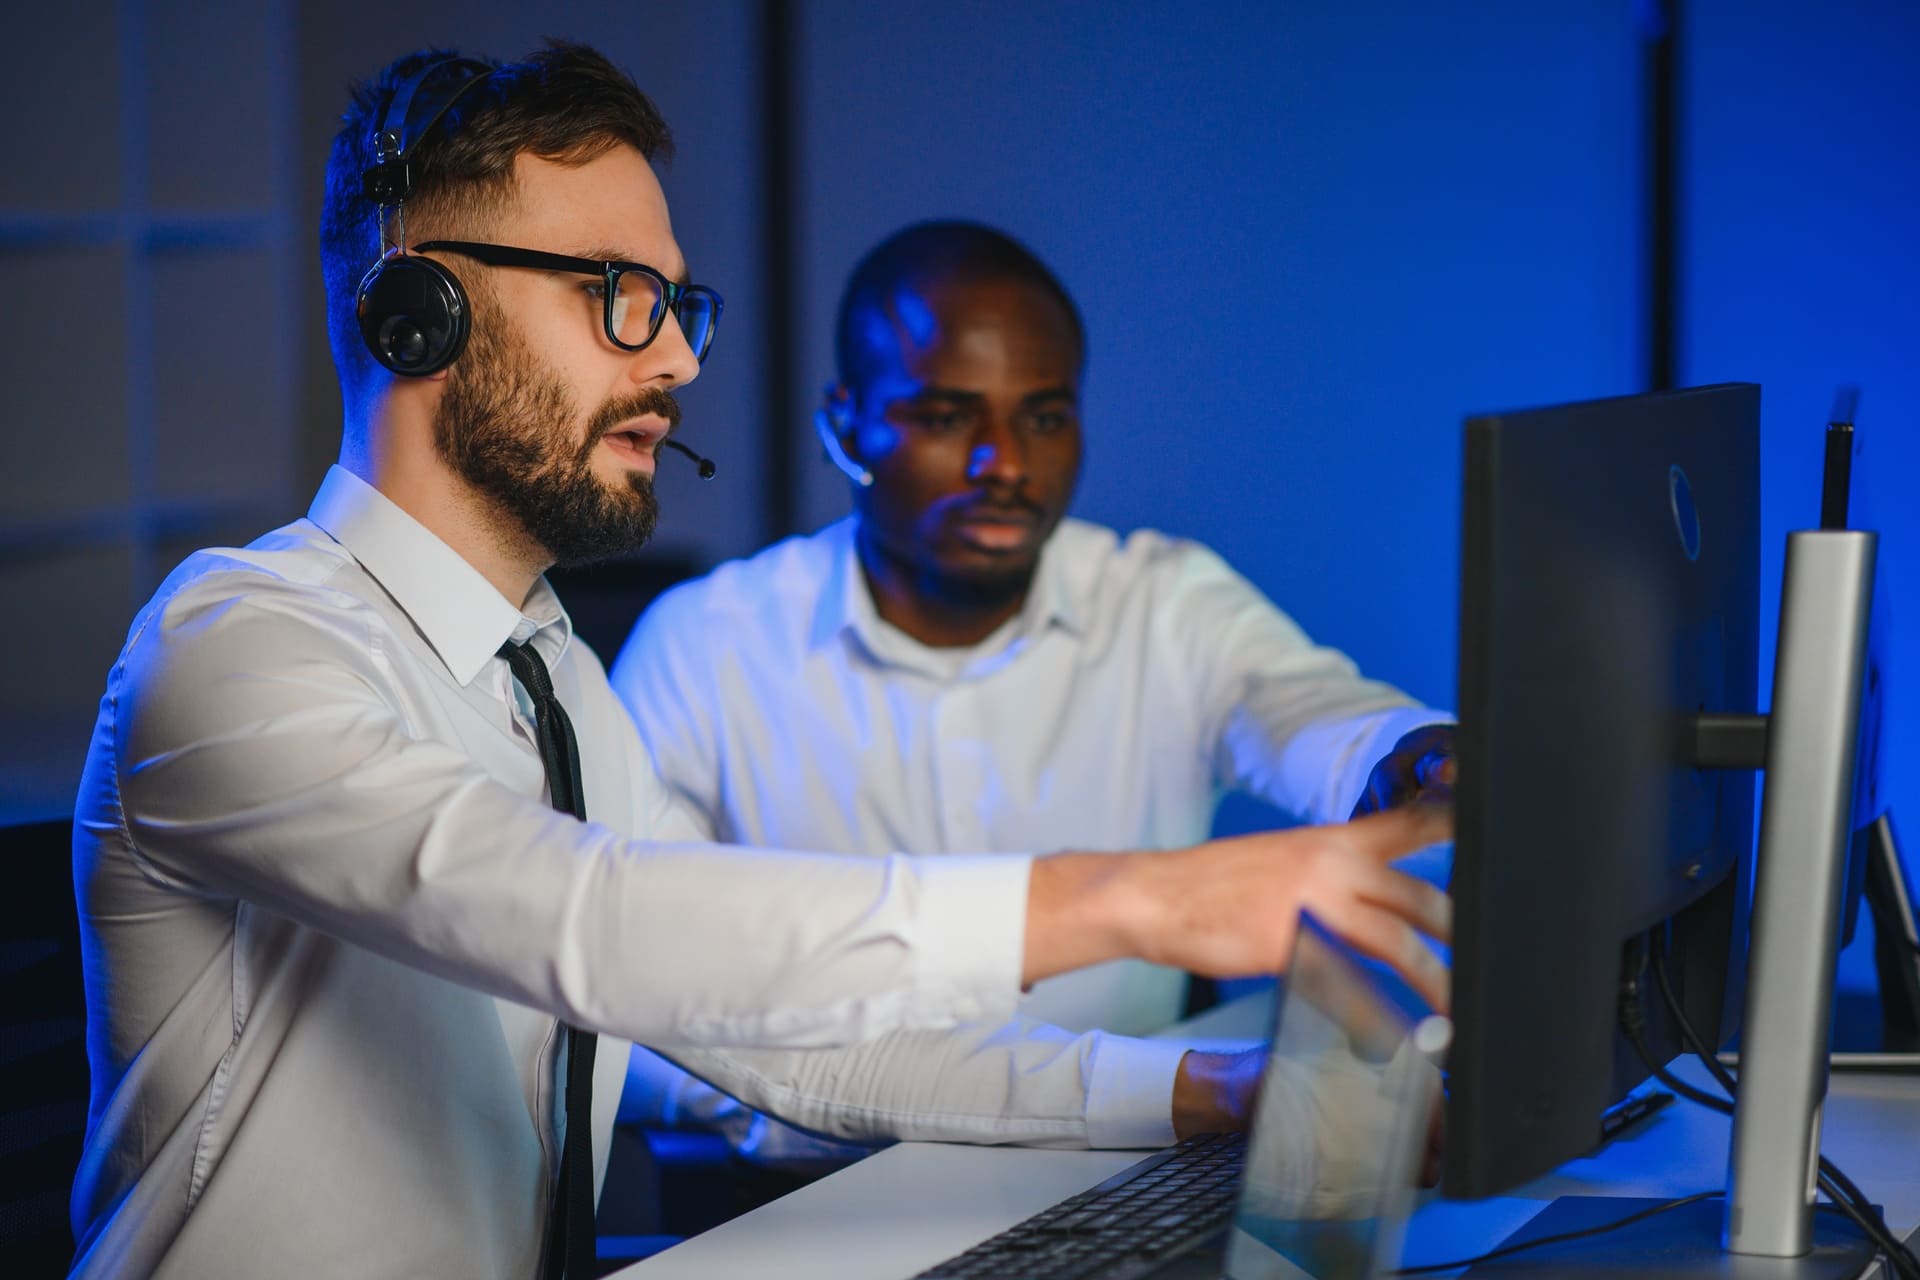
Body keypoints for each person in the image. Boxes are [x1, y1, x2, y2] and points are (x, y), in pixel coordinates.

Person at [66, 46, 1450, 1280]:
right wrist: (1136, 901)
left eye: (680, 305)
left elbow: (786, 1034)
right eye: (619, 296)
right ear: (417, 313)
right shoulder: (238, 645)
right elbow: (593, 922)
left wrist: (1208, 1090)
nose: (677, 359)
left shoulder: (558, 686)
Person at [610, 220, 1455, 1161]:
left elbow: (1315, 716)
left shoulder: (1163, 604)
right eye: (946, 417)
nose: (1004, 464)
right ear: (845, 425)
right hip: (824, 1195)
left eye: (1044, 418)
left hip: (1131, 1164)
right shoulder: (706, 645)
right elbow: (624, 1011)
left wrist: (1413, 756)